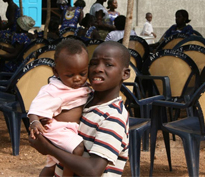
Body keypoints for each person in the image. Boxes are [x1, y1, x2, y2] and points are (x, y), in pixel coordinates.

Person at [29, 41, 130, 177]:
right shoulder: (82, 100)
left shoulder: (113, 117)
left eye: (108, 64)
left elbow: (93, 171)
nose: (98, 69)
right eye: (93, 63)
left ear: (125, 74)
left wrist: (48, 148)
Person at [28, 39, 92, 177]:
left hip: (68, 131)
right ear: (56, 72)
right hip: (56, 128)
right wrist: (35, 122)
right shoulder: (53, 90)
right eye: (70, 75)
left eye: (82, 73)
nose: (77, 79)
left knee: (51, 165)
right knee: (77, 149)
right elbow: (35, 108)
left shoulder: (84, 86)